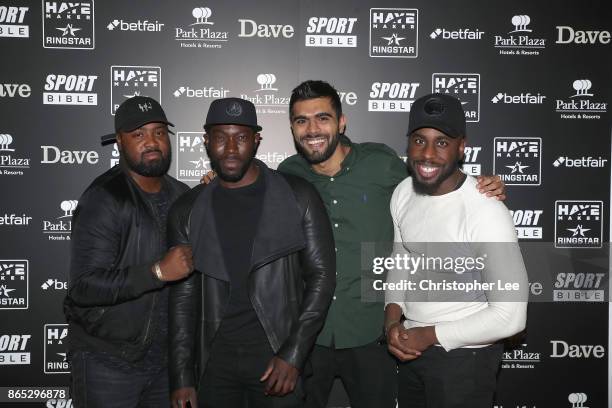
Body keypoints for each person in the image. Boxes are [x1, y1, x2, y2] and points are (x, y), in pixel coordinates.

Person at [276, 80, 506, 408]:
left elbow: (434, 181)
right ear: (292, 128)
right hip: (313, 333)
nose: (312, 129)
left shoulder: (380, 163)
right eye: (302, 120)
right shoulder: (288, 173)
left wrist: (482, 185)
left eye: (322, 118)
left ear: (341, 122)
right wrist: (216, 184)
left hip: (373, 331)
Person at [168, 97, 336, 408]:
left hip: (277, 357)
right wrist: (181, 377)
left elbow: (321, 279)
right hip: (213, 362)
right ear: (206, 141)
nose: (231, 148)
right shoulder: (186, 210)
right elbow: (182, 300)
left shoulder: (298, 196)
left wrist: (294, 353)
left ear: (256, 141)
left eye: (242, 137)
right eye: (220, 137)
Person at [384, 93, 528, 408]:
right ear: (407, 143)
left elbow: (512, 316)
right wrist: (392, 319)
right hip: (413, 350)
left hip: (466, 360)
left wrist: (427, 335)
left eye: (442, 142)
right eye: (419, 140)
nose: (428, 154)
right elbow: (401, 260)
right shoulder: (403, 192)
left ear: (461, 147)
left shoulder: (484, 209)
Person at [64, 96, 193, 407]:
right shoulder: (104, 199)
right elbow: (84, 287)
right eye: (139, 135)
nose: (152, 142)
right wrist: (157, 272)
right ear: (119, 141)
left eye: (159, 132)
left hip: (165, 366)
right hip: (107, 360)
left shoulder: (184, 196)